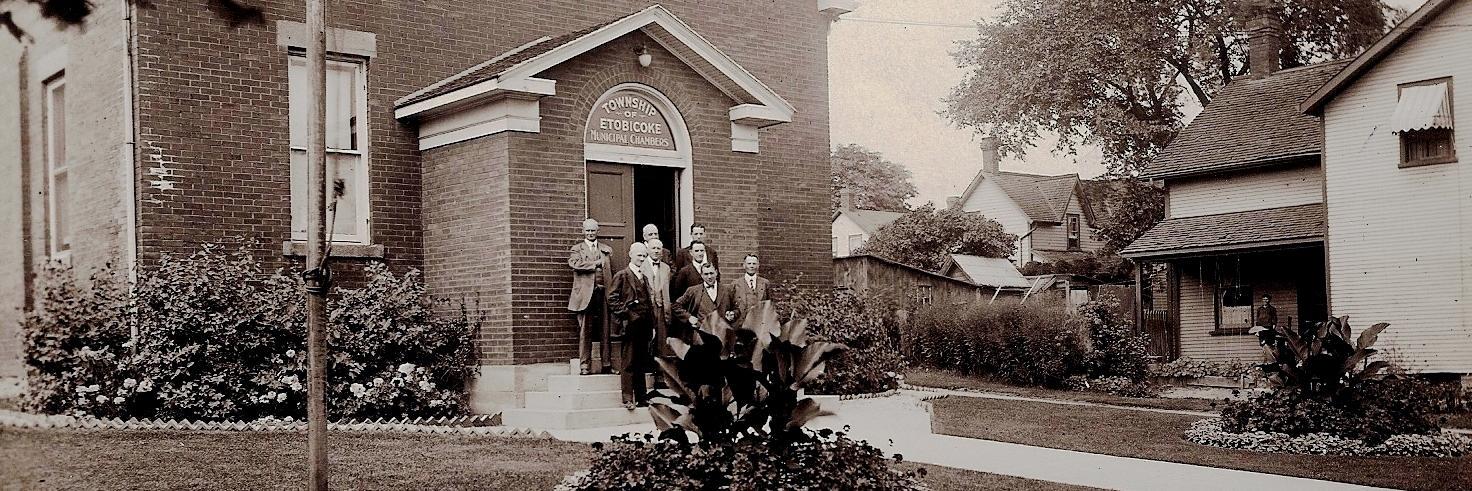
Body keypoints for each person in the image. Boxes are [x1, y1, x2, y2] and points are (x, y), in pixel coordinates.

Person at [608, 242, 656, 407]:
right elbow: (612, 299)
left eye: (644, 256)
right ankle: (628, 398)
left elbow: (649, 303)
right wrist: (627, 313)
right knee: (628, 361)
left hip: (644, 325)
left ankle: (642, 398)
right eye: (639, 256)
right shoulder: (622, 275)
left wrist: (653, 325)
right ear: (630, 255)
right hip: (630, 325)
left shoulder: (645, 277)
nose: (641, 259)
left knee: (641, 362)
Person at [567, 218, 613, 375]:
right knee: (585, 331)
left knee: (605, 330)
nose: (591, 233)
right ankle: (584, 365)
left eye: (593, 230)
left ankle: (607, 364)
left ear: (597, 231)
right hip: (586, 295)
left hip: (603, 293)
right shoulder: (577, 249)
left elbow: (609, 273)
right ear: (583, 231)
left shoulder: (606, 249)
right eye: (588, 230)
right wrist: (595, 264)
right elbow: (574, 264)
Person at [673, 262, 741, 338]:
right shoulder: (693, 291)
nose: (709, 277)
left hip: (723, 333)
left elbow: (737, 309)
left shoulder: (727, 290)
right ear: (701, 275)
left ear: (716, 272)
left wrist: (733, 314)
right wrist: (689, 317)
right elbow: (676, 305)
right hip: (700, 333)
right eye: (706, 274)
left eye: (711, 273)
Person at [644, 239, 675, 358]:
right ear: (647, 250)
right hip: (647, 308)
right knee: (647, 337)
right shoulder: (642, 265)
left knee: (661, 340)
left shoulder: (666, 268)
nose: (656, 251)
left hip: (662, 308)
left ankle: (659, 371)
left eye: (658, 248)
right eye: (653, 248)